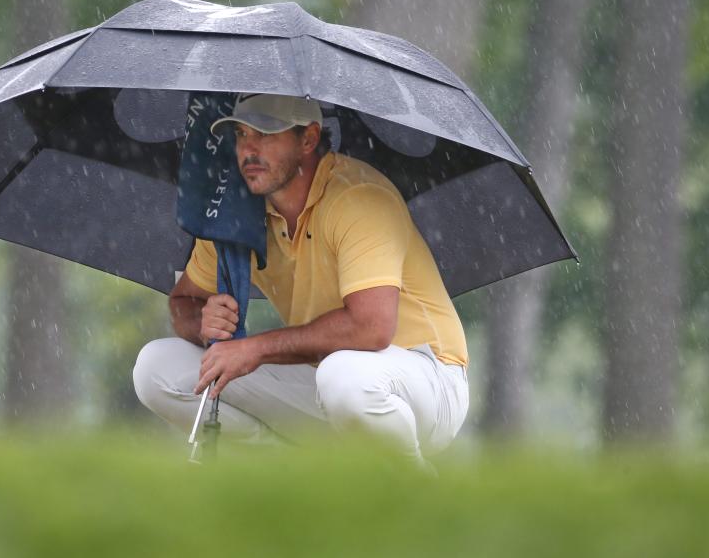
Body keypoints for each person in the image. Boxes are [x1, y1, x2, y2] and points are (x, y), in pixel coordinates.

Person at [133, 93, 469, 460]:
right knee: (155, 368)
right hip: (325, 377)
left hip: (429, 378)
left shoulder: (359, 197)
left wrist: (255, 348)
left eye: (265, 134)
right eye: (242, 134)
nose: (249, 149)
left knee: (344, 376)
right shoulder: (235, 212)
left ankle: (415, 494)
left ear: (309, 139)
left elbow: (371, 328)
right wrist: (202, 322)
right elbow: (184, 300)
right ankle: (296, 478)